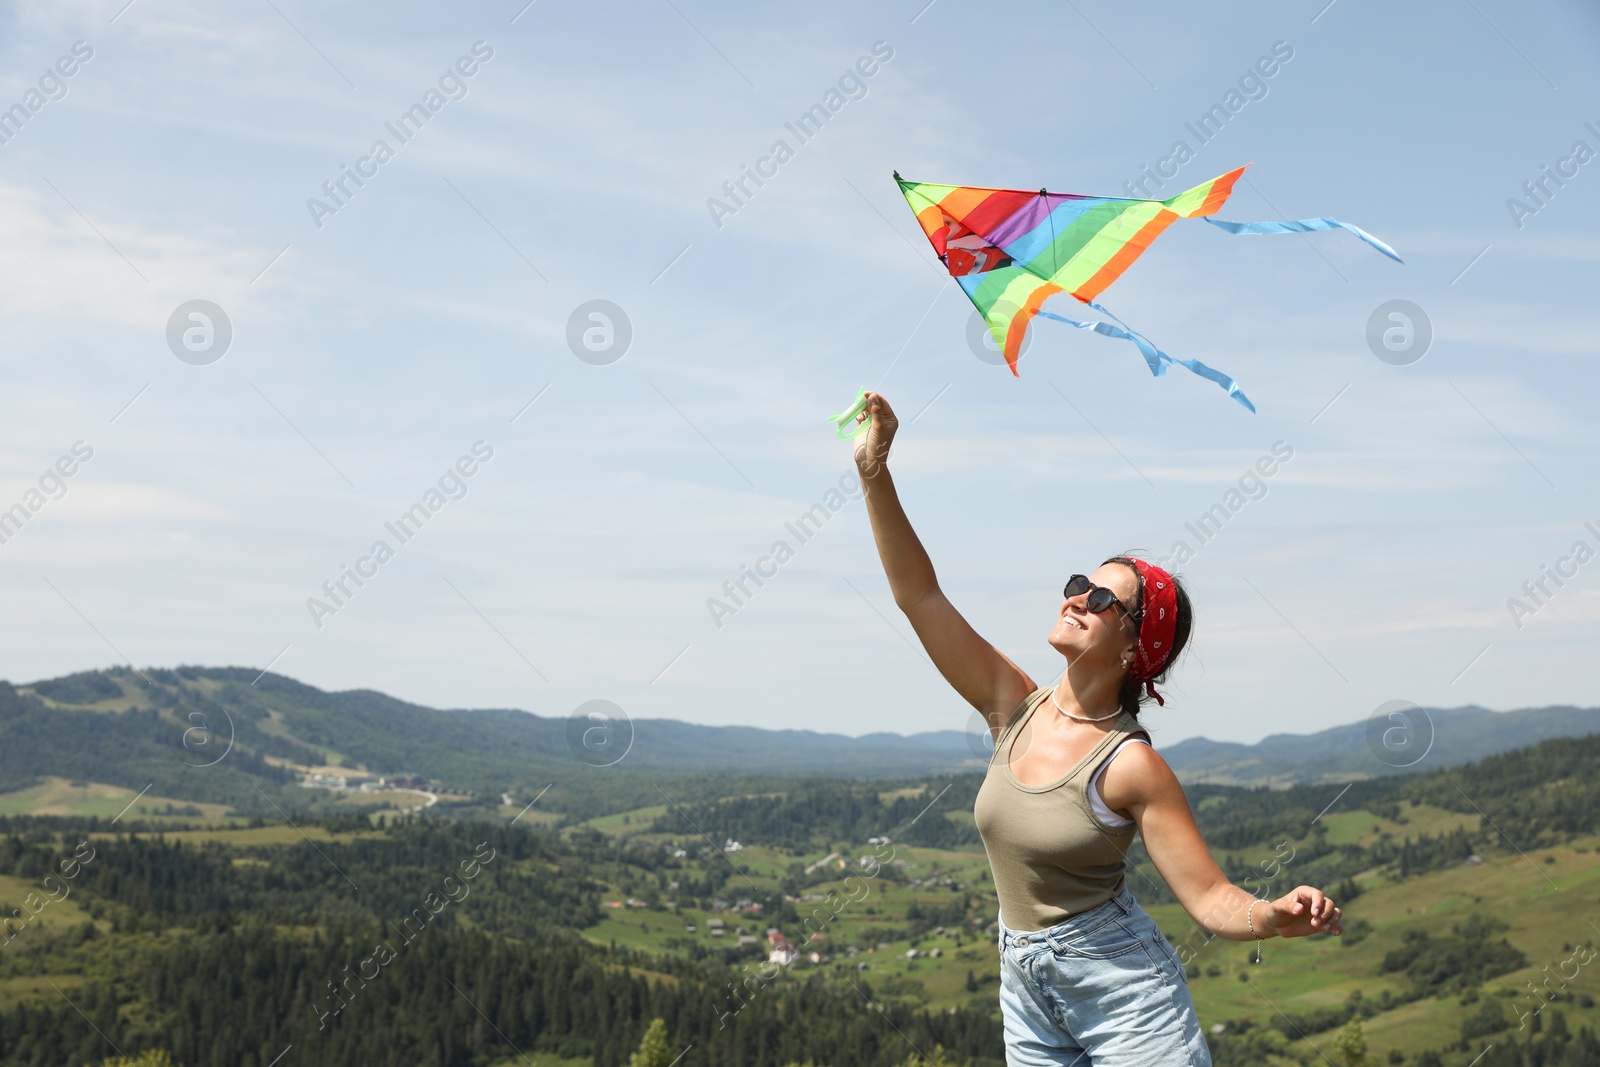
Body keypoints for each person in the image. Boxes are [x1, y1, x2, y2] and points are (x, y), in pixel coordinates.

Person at [850, 392, 1342, 1067]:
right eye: (1081, 581)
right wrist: (873, 472)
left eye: (1105, 598)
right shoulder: (1011, 706)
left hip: (1124, 991)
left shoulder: (1132, 765)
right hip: (1024, 987)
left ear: (1135, 649)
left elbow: (1212, 899)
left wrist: (1274, 916)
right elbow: (920, 595)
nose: (1079, 595)